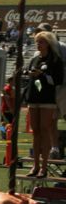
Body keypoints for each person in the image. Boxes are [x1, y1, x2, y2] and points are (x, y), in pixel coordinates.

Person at [25, 31, 64, 178]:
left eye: (41, 42)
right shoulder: (35, 59)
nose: (38, 44)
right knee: (35, 131)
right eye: (37, 42)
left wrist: (42, 75)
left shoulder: (55, 60)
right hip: (33, 98)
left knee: (44, 129)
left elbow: (58, 81)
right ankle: (35, 165)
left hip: (48, 100)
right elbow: (29, 74)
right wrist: (28, 73)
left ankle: (44, 166)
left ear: (48, 43)